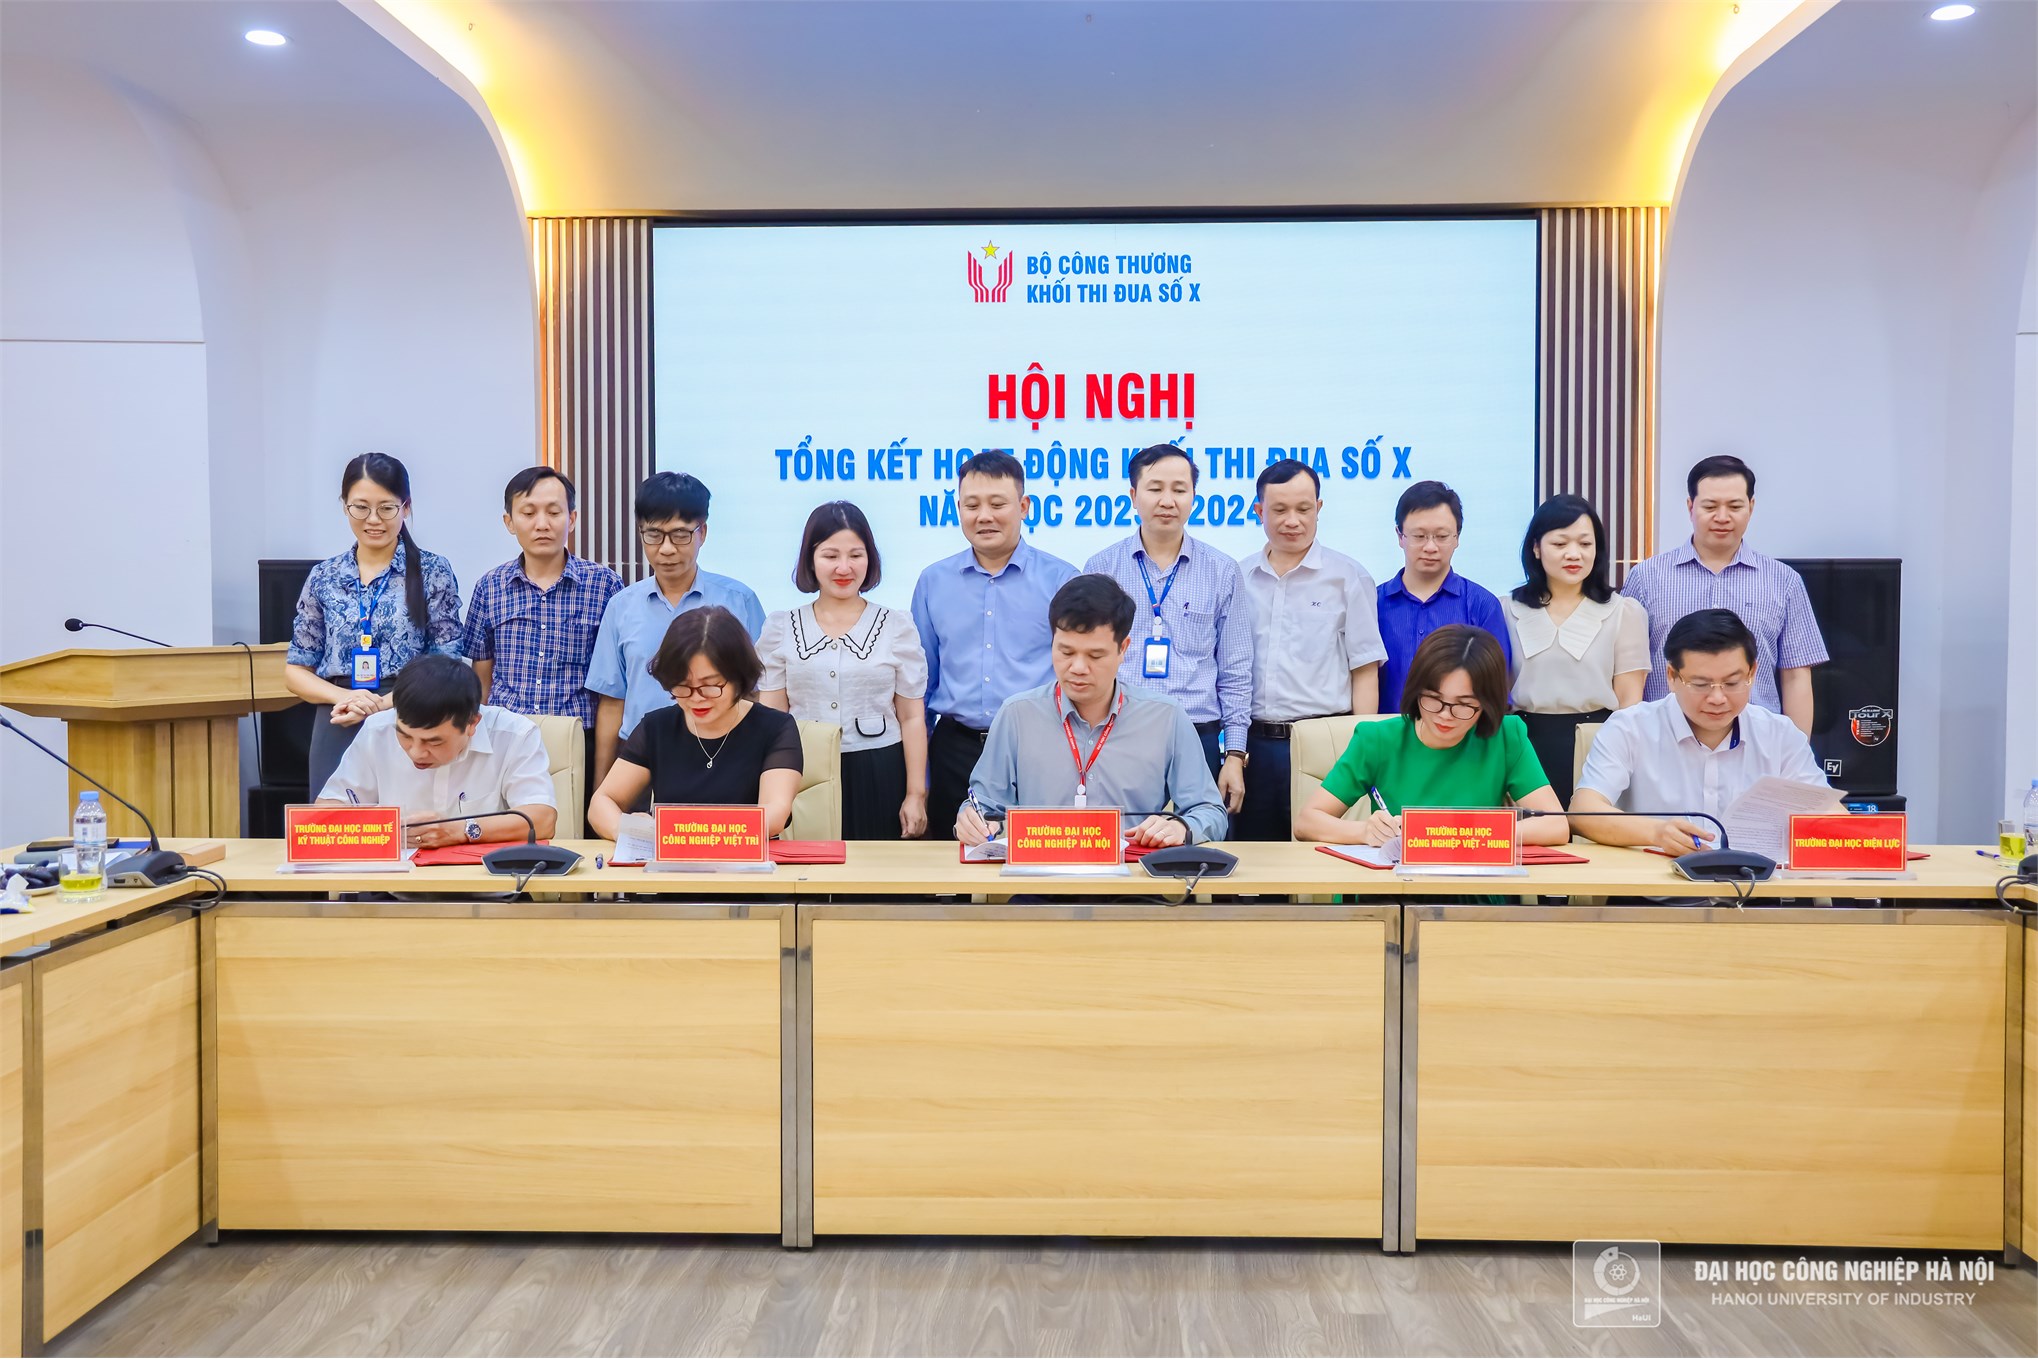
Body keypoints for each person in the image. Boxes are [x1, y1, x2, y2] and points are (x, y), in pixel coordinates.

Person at [957, 574, 1228, 848]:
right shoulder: (1017, 714)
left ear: (1123, 649)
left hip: (1132, 871)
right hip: (1040, 870)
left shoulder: (1165, 718)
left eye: (1095, 656)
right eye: (1066, 652)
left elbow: (1209, 811)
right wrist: (972, 821)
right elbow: (984, 806)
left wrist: (1181, 827)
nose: (1078, 668)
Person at [910, 450, 1079, 839]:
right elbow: (921, 685)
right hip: (955, 750)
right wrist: (921, 780)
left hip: (1037, 746)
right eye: (972, 505)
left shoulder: (1062, 580)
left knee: (1037, 857)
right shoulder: (933, 582)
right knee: (951, 865)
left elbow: (1076, 675)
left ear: (1024, 506)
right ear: (958, 509)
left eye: (997, 504)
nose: (984, 516)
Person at [1570, 608, 1833, 853]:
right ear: (1672, 676)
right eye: (1700, 684)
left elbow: (1828, 816)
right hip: (1655, 882)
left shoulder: (1780, 735)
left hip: (1758, 883)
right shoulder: (1630, 728)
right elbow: (1582, 811)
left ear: (1752, 672)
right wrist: (1655, 833)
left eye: (1732, 682)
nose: (1717, 698)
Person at [1083, 443, 1252, 815]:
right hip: (1119, 732)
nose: (1167, 500)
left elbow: (1236, 672)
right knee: (1122, 839)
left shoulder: (1222, 571)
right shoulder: (1101, 568)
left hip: (1198, 734)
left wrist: (1234, 755)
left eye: (1179, 489)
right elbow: (1087, 662)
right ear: (1133, 496)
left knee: (1200, 839)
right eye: (1155, 488)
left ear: (1194, 497)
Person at [284, 452, 463, 798]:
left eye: (387, 508)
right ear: (344, 506)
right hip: (339, 713)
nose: (373, 519)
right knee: (334, 819)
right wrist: (348, 698)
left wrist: (382, 705)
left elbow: (447, 661)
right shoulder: (324, 576)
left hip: (411, 716)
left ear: (406, 507)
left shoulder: (433, 571)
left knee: (408, 820)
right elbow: (296, 671)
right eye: (361, 507)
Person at [1294, 625, 1568, 847]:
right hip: (1392, 886)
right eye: (1434, 699)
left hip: (1476, 888)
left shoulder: (1506, 736)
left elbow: (1556, 825)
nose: (1445, 715)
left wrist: (1464, 836)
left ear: (1487, 704)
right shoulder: (1376, 739)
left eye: (1464, 705)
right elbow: (1307, 822)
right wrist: (1364, 831)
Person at [1234, 457, 1386, 840]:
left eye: (1303, 509)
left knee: (1323, 854)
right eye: (1279, 510)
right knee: (1256, 855)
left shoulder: (1348, 577)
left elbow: (1365, 669)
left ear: (1318, 508)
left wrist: (1361, 750)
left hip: (1326, 743)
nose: (1292, 521)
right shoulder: (1238, 577)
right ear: (1258, 511)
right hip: (1255, 746)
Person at [758, 501, 929, 840]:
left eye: (855, 555)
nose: (844, 567)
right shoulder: (781, 627)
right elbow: (771, 720)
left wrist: (915, 794)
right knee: (807, 865)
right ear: (810, 559)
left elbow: (911, 718)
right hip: (802, 771)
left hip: (880, 769)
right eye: (830, 555)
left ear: (870, 558)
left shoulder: (896, 627)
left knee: (876, 868)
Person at [1621, 455, 1827, 733]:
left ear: (1751, 507)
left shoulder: (1784, 581)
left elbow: (1796, 676)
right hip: (1664, 741)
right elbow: (1629, 674)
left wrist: (1795, 751)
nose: (1722, 517)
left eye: (1734, 506)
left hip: (1758, 743)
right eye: (1710, 506)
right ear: (1690, 507)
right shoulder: (1646, 578)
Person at [587, 472, 766, 789]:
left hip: (723, 754)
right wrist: (601, 785)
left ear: (702, 532)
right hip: (640, 759)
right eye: (653, 535)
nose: (666, 549)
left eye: (681, 535)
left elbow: (756, 692)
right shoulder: (621, 607)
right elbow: (613, 702)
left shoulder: (739, 601)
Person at [461, 467, 624, 810]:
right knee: (507, 831)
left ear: (572, 518)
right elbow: (481, 678)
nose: (542, 524)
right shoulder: (490, 587)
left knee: (575, 831)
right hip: (505, 737)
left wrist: (602, 779)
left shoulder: (604, 585)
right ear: (509, 522)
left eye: (553, 512)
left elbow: (612, 684)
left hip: (579, 737)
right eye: (528, 513)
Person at [588, 606, 803, 842]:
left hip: (746, 860)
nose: (696, 698)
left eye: (710, 685)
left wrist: (682, 832)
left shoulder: (775, 728)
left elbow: (774, 814)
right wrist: (627, 828)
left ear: (739, 677)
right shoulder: (657, 727)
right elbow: (601, 803)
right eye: (683, 686)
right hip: (671, 860)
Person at [315, 655, 556, 848]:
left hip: (487, 886)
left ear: (472, 724)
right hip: (394, 885)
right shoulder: (378, 729)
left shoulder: (515, 734)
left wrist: (459, 831)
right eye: (405, 736)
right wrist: (382, 826)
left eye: (434, 742)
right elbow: (326, 812)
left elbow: (542, 819)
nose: (416, 753)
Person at [1502, 493, 1648, 806]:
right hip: (1522, 745)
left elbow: (1630, 702)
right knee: (1530, 832)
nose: (1574, 554)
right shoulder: (1506, 609)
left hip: (1598, 746)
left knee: (1591, 829)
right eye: (1560, 543)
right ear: (1536, 548)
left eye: (1585, 543)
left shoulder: (1624, 611)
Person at [1375, 480, 1511, 714]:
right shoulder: (1373, 603)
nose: (1430, 547)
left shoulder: (1482, 606)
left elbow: (1496, 688)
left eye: (1441, 536)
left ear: (1457, 537)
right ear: (1400, 535)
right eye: (1419, 536)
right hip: (1388, 733)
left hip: (1460, 733)